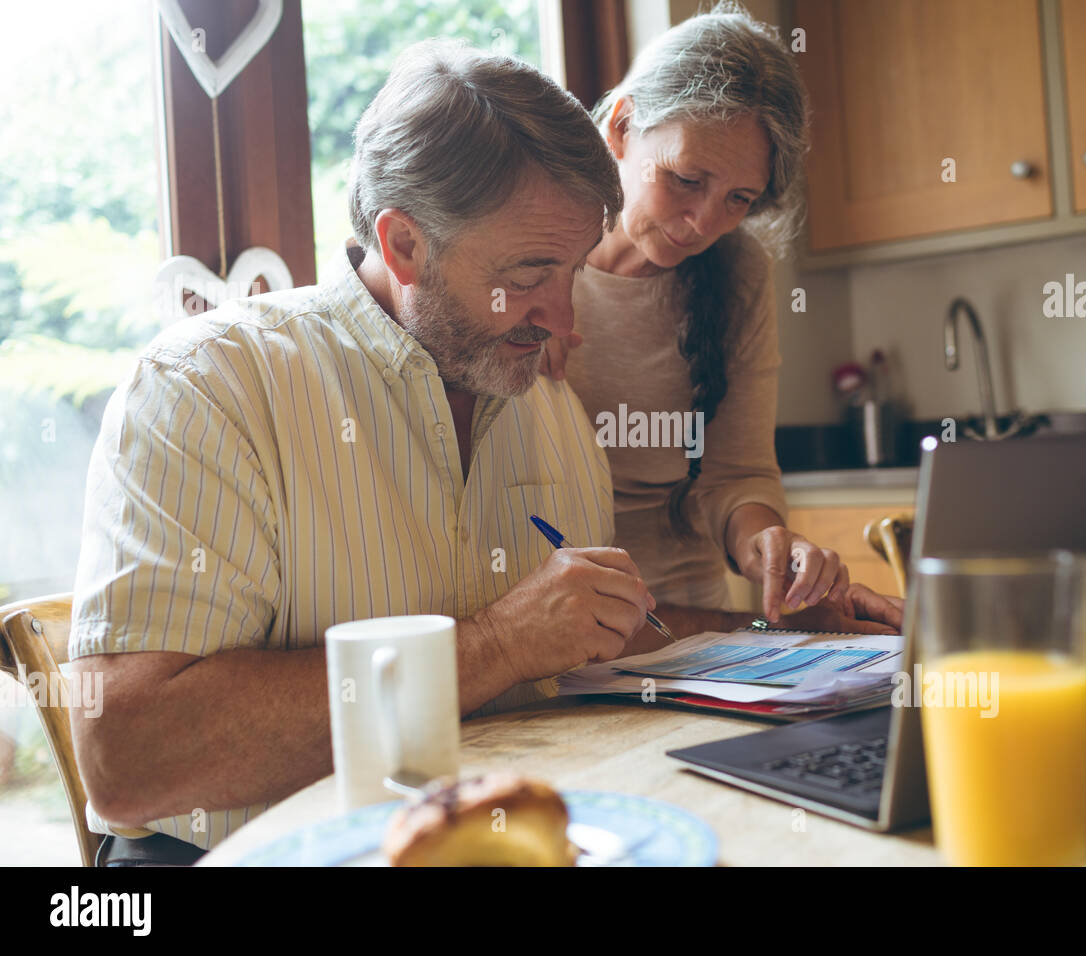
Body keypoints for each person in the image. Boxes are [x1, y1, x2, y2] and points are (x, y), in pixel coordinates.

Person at [68, 40, 898, 865]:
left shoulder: (548, 408)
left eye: (572, 270)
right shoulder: (207, 388)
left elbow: (596, 631)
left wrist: (779, 628)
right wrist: (497, 646)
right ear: (403, 247)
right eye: (532, 272)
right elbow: (126, 763)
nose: (565, 322)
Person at [544, 4, 894, 624]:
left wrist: (770, 549)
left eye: (739, 198)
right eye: (685, 178)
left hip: (691, 625)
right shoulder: (527, 258)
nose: (705, 223)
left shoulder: (738, 273)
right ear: (622, 129)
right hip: (553, 624)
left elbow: (737, 475)